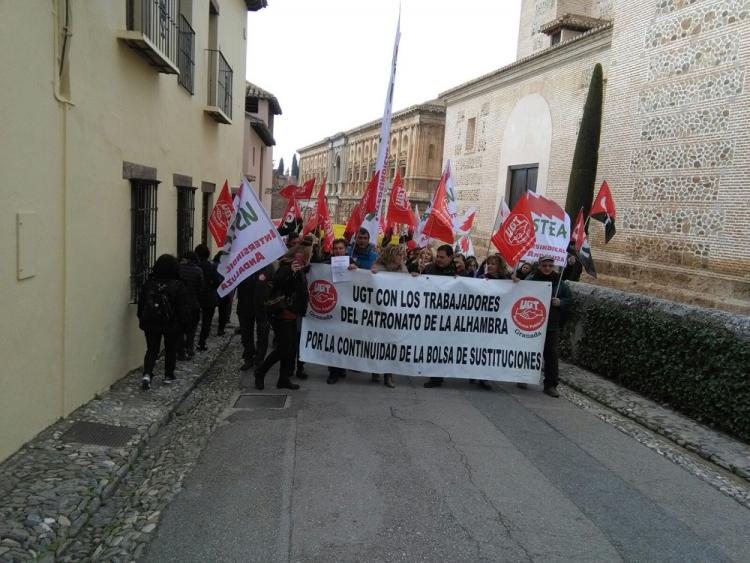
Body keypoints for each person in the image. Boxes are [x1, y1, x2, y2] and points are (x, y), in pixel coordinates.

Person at [255, 245, 311, 390]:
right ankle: (260, 372)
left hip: (293, 312)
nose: (302, 258)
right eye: (300, 256)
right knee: (283, 349)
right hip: (282, 313)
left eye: (304, 256)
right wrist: (291, 273)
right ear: (293, 256)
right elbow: (278, 283)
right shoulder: (285, 268)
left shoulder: (300, 270)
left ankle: (283, 379)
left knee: (291, 348)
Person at [137, 254, 190, 390]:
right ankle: (168, 375)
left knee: (152, 349)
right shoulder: (178, 285)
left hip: (151, 321)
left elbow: (142, 304)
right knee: (170, 348)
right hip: (171, 323)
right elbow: (183, 307)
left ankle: (147, 374)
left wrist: (142, 318)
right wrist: (185, 325)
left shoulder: (149, 283)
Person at [528, 255, 572, 397]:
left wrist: (560, 302)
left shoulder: (560, 283)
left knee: (551, 354)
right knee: (527, 351)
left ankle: (551, 384)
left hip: (550, 325)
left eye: (550, 265)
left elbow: (569, 299)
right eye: (544, 265)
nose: (547, 268)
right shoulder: (532, 279)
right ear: (539, 266)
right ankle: (523, 377)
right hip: (531, 324)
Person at [370, 245, 409, 389]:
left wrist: (415, 278)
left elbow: (407, 286)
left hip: (395, 314)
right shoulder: (378, 266)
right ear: (391, 255)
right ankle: (375, 370)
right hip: (379, 313)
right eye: (399, 254)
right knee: (378, 343)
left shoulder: (403, 268)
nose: (401, 257)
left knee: (392, 344)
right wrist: (371, 275)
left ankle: (389, 375)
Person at [471, 254, 512, 391]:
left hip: (495, 321)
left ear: (499, 266)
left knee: (489, 349)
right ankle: (472, 372)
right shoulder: (480, 279)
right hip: (480, 320)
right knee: (477, 347)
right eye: (488, 263)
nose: (490, 266)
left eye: (493, 263)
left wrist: (516, 282)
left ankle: (484, 377)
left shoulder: (506, 281)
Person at [423, 244, 456, 388]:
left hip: (449, 317)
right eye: (438, 256)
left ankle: (436, 377)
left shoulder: (459, 271)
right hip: (430, 314)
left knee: (442, 346)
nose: (439, 259)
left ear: (450, 257)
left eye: (442, 257)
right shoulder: (429, 268)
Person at [236, 264, 273, 371]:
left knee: (263, 334)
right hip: (244, 304)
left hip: (262, 306)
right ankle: (248, 357)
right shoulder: (242, 264)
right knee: (246, 334)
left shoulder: (268, 266)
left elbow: (273, 283)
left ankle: (259, 359)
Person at [325, 238, 350, 384]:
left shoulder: (353, 263)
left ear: (345, 250)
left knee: (344, 340)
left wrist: (356, 269)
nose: (338, 251)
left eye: (341, 248)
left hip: (346, 308)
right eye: (336, 249)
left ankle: (342, 367)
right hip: (332, 307)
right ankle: (332, 371)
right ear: (332, 250)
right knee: (332, 340)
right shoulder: (326, 264)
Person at [195, 244, 221, 351]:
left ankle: (188, 344)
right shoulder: (212, 266)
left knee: (193, 321)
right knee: (207, 321)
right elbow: (217, 281)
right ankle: (202, 342)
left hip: (196, 297)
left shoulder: (195, 266)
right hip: (209, 297)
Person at [178, 251, 204, 360]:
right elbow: (201, 289)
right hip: (194, 304)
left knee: (180, 329)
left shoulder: (178, 269)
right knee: (191, 330)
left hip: (180, 304)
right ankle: (190, 350)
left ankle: (180, 352)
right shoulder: (198, 271)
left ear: (186, 259)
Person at [213, 250, 234, 336]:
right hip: (223, 292)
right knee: (223, 311)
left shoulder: (213, 265)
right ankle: (221, 329)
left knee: (216, 310)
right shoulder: (227, 267)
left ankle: (220, 327)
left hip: (215, 291)